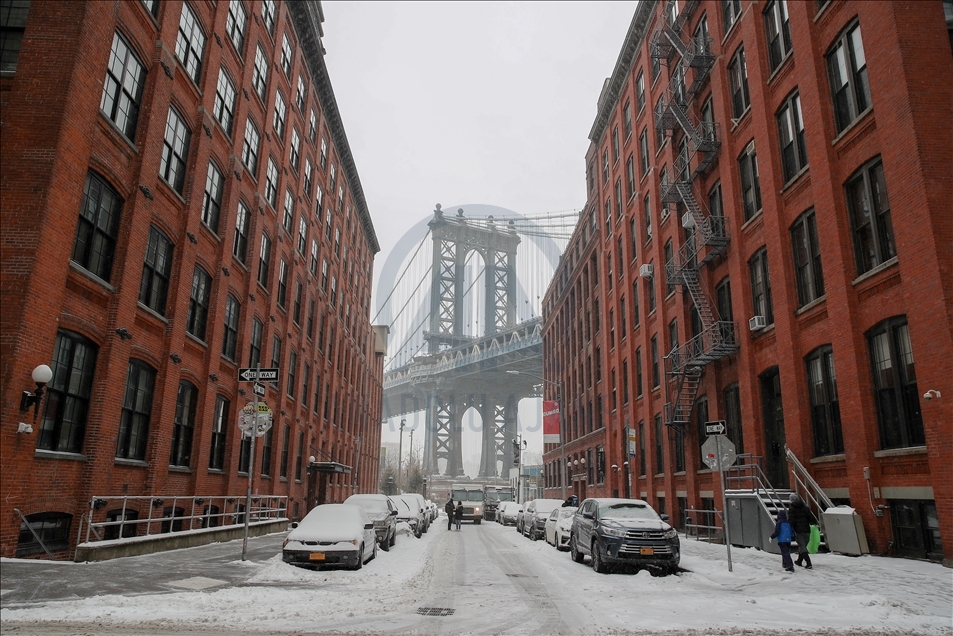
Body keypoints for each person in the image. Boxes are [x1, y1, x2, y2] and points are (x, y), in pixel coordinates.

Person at [787, 493, 817, 569]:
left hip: (798, 531)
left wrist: (789, 527)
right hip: (807, 530)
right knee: (803, 545)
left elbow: (791, 520)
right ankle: (799, 561)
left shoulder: (792, 509)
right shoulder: (805, 507)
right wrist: (813, 522)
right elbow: (811, 518)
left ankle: (808, 563)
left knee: (802, 546)